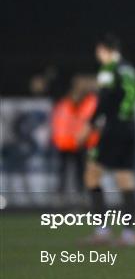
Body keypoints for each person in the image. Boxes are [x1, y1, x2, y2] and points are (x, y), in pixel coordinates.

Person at [79, 34, 135, 247]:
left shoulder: (108, 69)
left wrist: (90, 125)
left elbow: (104, 100)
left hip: (113, 127)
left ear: (103, 49)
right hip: (130, 126)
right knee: (125, 178)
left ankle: (102, 230)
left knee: (92, 175)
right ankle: (129, 234)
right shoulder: (129, 69)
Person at [51, 74, 98, 202]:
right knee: (63, 173)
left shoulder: (88, 102)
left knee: (80, 172)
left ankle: (81, 197)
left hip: (80, 143)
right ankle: (61, 198)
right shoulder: (65, 102)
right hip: (65, 143)